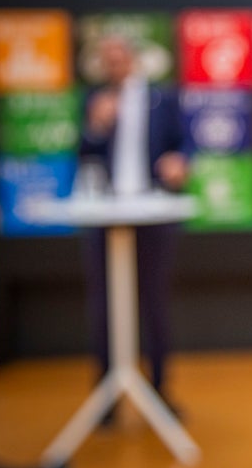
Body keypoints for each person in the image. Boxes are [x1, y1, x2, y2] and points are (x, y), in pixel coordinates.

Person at [78, 33, 189, 421]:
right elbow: (83, 152)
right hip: (106, 213)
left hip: (151, 211)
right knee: (104, 306)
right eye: (107, 59)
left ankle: (159, 391)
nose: (114, 65)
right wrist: (96, 125)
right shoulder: (94, 99)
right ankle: (106, 398)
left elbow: (184, 143)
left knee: (154, 303)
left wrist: (179, 162)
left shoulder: (162, 98)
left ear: (133, 59)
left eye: (119, 57)